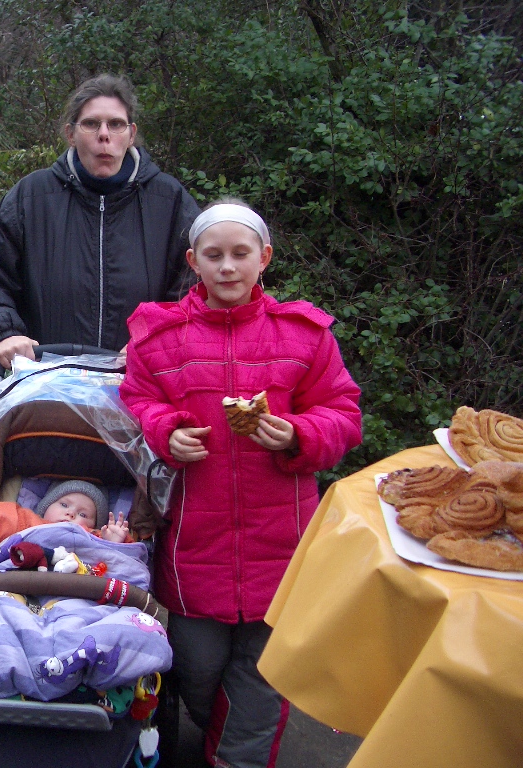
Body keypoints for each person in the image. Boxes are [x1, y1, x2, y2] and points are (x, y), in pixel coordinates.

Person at [118, 200, 363, 768]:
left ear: (264, 258)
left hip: (282, 544)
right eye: (214, 255)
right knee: (196, 669)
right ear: (193, 262)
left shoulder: (304, 334)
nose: (227, 266)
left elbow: (344, 413)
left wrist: (300, 434)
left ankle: (234, 758)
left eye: (240, 253)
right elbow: (137, 401)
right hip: (193, 545)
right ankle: (225, 741)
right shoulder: (160, 337)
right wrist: (167, 431)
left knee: (263, 674)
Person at [0, 73, 202, 368]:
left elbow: (196, 288)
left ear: (131, 134)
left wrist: (158, 337)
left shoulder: (169, 201)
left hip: (143, 381)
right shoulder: (30, 198)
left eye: (116, 124)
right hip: (46, 381)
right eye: (91, 123)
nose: (104, 134)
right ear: (71, 133)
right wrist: (5, 333)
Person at [0, 479, 131, 551]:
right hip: (22, 580)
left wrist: (113, 543)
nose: (71, 513)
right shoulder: (26, 521)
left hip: (79, 587)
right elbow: (1, 520)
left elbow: (118, 564)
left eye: (83, 514)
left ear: (94, 525)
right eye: (64, 505)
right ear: (46, 507)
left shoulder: (95, 537)